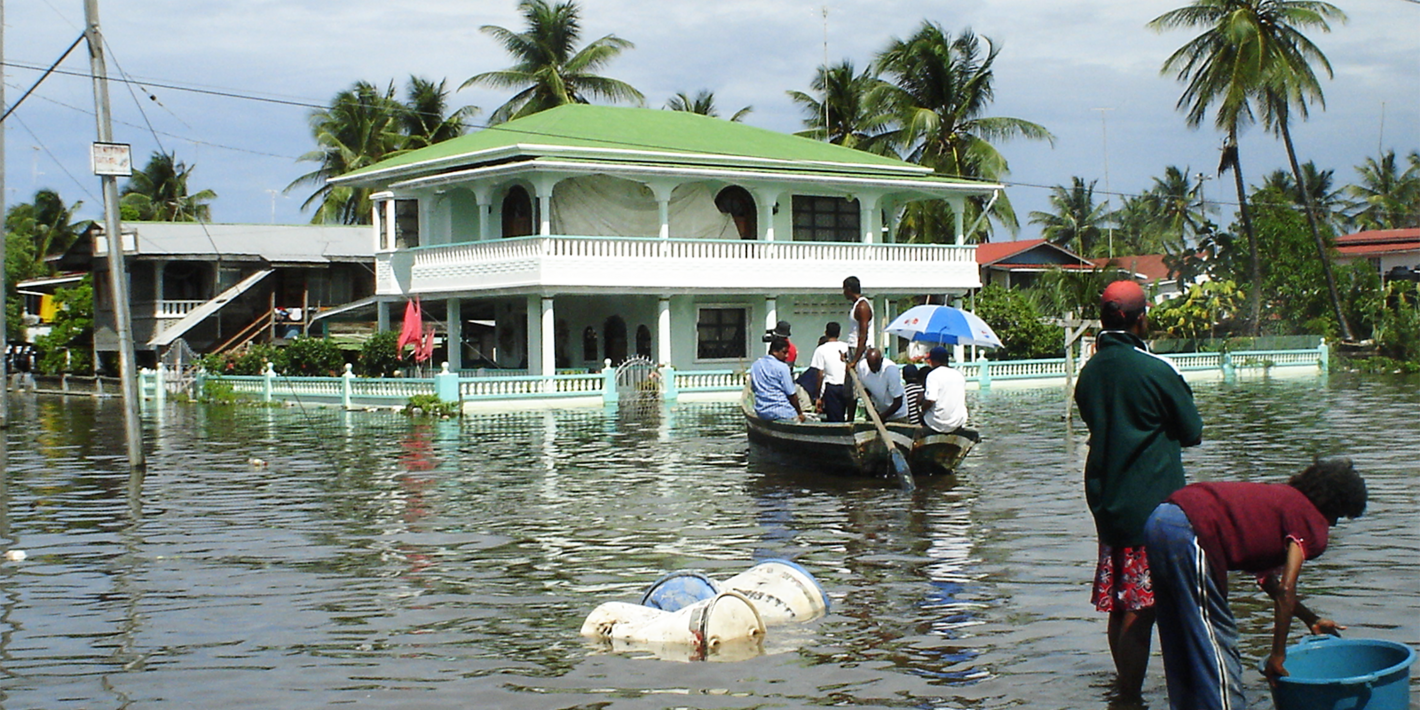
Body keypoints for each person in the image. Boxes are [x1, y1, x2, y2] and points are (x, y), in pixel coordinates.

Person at [1143, 458, 1367, 710]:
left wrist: (1310, 619)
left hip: (1160, 520)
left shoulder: (1283, 501)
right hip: (1191, 528)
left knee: (1181, 635)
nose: (1334, 524)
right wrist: (1278, 656)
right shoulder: (1311, 521)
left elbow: (1269, 583)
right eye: (1338, 515)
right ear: (1333, 505)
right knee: (1215, 638)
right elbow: (1286, 588)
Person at [1074, 279, 1204, 699]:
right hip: (1151, 506)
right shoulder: (1153, 369)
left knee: (1119, 601)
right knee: (1141, 607)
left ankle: (1124, 688)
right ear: (1140, 318)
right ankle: (1129, 696)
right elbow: (1192, 431)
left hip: (1108, 500)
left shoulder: (1091, 372)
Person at [749, 336, 804, 422]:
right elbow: (791, 394)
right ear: (774, 351)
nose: (787, 356)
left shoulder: (755, 365)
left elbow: (754, 388)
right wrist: (799, 413)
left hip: (762, 411)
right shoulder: (782, 367)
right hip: (782, 412)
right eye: (784, 352)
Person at [810, 322, 852, 422]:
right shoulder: (846, 347)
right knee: (848, 418)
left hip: (832, 388)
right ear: (839, 333)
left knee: (835, 420)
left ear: (826, 333)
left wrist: (818, 396)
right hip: (847, 386)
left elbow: (820, 374)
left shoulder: (821, 350)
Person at [920, 346, 966, 433]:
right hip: (957, 421)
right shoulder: (959, 375)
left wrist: (922, 410)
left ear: (934, 360)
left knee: (923, 415)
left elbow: (930, 400)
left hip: (937, 423)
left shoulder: (933, 375)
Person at [856, 348, 908, 422]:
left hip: (897, 415)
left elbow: (898, 401)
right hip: (878, 411)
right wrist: (872, 409)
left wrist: (882, 417)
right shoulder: (861, 367)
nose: (873, 369)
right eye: (871, 366)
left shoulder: (891, 371)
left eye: (876, 365)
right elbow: (866, 390)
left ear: (882, 360)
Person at [842, 276, 873, 366]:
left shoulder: (862, 306)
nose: (844, 293)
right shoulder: (856, 305)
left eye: (844, 289)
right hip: (853, 348)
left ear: (849, 289)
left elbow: (863, 335)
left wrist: (855, 360)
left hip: (859, 350)